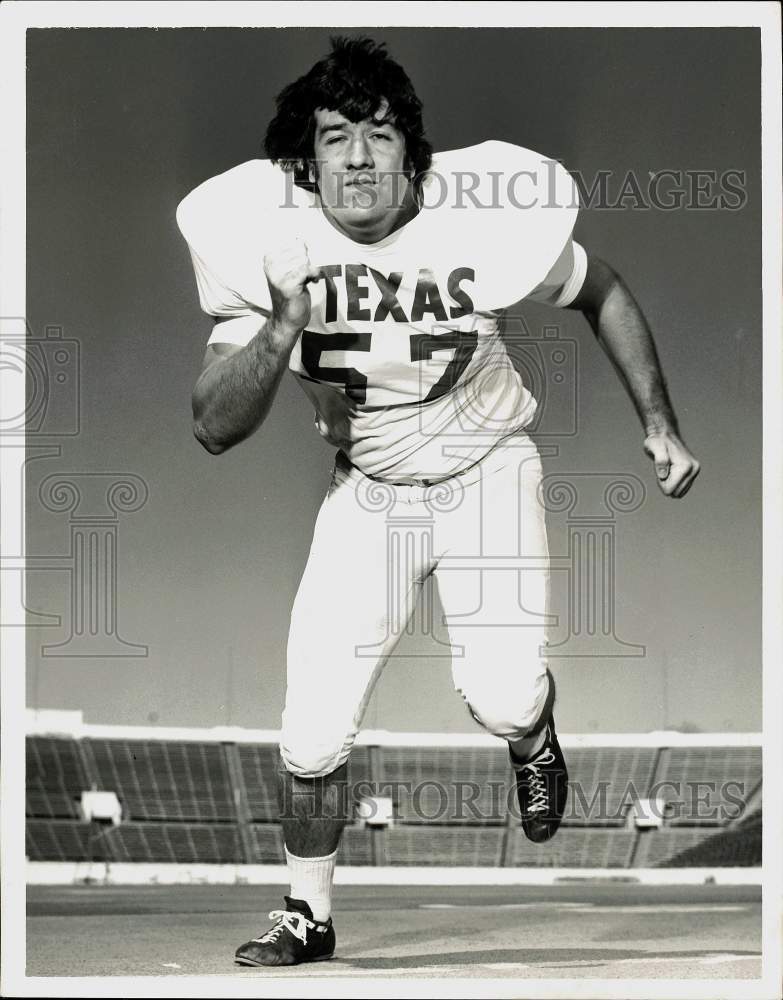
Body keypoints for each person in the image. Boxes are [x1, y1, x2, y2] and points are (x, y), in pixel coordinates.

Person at [177, 36, 700, 967]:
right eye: (336, 137)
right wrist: (285, 322)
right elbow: (213, 425)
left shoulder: (472, 224)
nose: (360, 158)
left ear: (411, 153)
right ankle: (308, 911)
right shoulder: (268, 245)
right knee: (309, 731)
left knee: (498, 696)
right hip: (368, 494)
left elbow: (603, 289)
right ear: (306, 161)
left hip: (489, 472)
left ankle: (531, 733)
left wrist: (657, 421)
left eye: (380, 135)